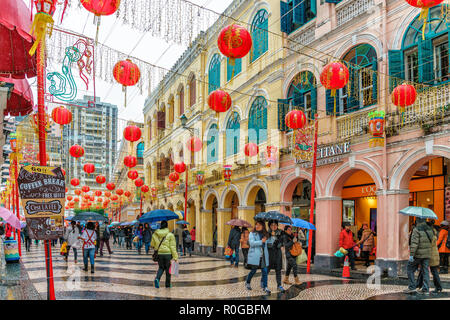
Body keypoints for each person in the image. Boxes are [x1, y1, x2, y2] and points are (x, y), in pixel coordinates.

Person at [404, 218, 434, 295]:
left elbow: (414, 243)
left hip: (418, 254)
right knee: (425, 271)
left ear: (417, 221)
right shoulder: (430, 229)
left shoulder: (416, 229)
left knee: (409, 268)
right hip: (427, 254)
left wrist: (411, 255)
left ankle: (412, 287)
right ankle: (426, 289)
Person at [416, 220, 442, 294]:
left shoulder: (429, 233)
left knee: (430, 271)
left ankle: (438, 287)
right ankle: (418, 285)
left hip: (430, 254)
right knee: (425, 271)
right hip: (434, 254)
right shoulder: (434, 232)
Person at [245, 220, 271, 294]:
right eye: (256, 225)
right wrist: (261, 241)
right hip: (255, 256)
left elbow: (267, 244)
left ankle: (265, 287)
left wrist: (272, 238)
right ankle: (247, 282)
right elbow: (252, 243)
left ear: (263, 226)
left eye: (259, 225)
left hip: (263, 256)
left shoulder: (265, 234)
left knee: (265, 271)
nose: (257, 226)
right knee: (253, 271)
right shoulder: (252, 234)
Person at [151, 220, 178, 288]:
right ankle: (168, 284)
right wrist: (175, 257)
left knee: (161, 268)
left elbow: (152, 245)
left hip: (160, 254)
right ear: (167, 226)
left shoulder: (155, 234)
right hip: (168, 254)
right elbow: (173, 247)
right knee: (168, 269)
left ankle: (157, 278)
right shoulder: (170, 235)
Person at [266, 220, 285, 292]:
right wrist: (271, 237)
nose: (273, 226)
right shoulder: (267, 233)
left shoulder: (281, 232)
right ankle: (264, 285)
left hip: (277, 253)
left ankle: (279, 285)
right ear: (269, 226)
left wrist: (277, 239)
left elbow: (283, 242)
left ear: (277, 226)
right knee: (267, 269)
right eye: (272, 225)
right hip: (269, 253)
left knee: (278, 269)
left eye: (275, 225)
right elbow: (265, 243)